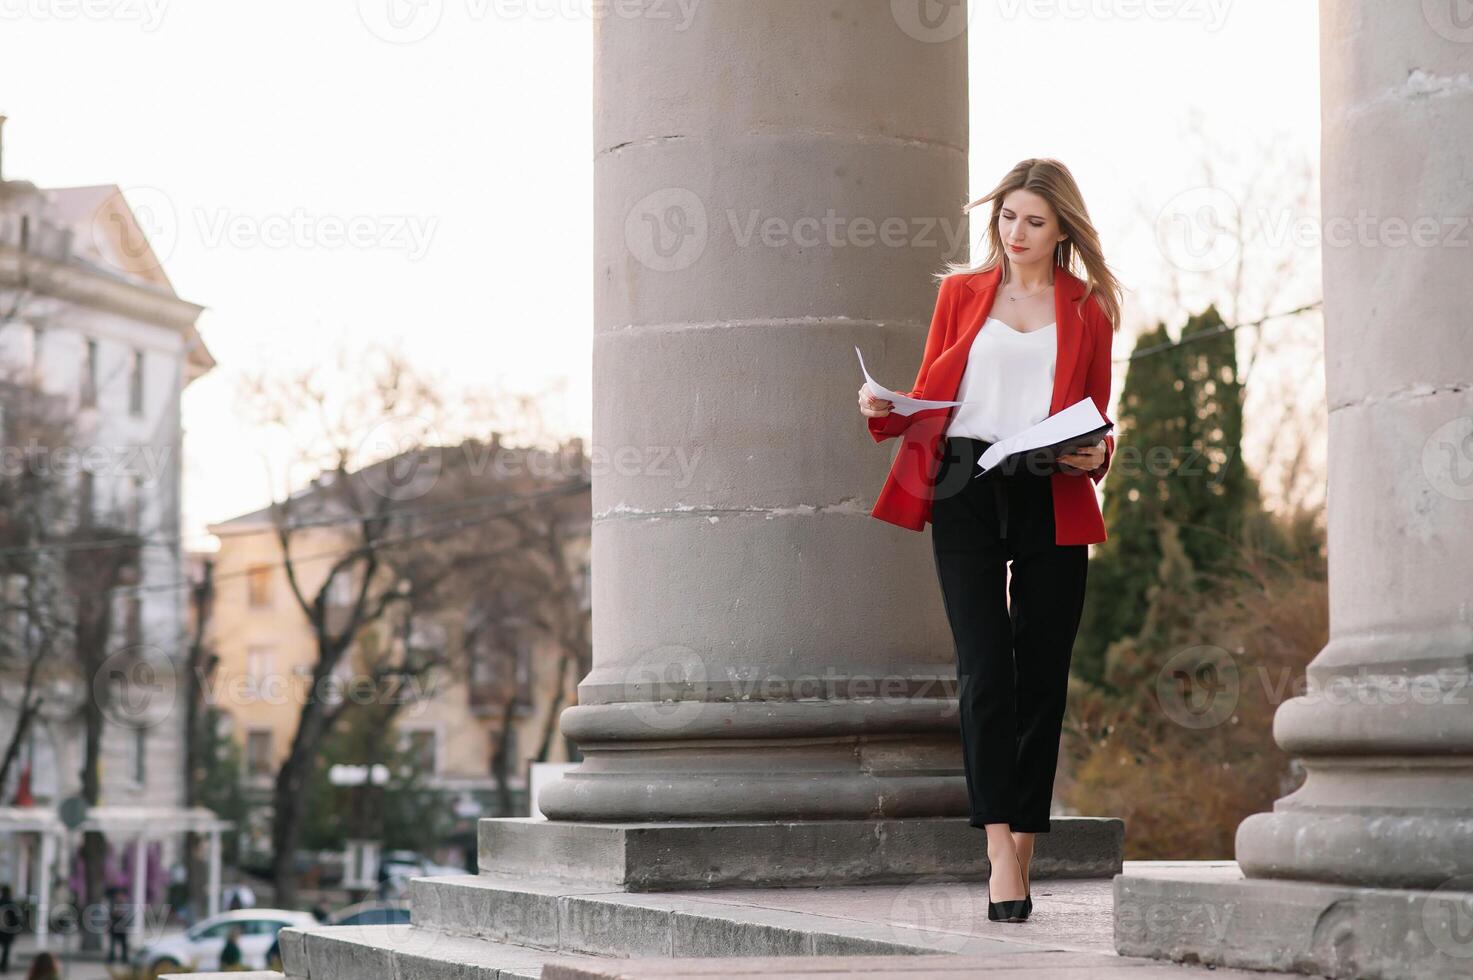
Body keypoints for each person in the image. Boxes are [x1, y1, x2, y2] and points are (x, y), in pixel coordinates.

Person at [859, 158, 1121, 925]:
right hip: (965, 482)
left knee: (1040, 670)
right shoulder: (959, 294)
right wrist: (882, 403)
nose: (1016, 234)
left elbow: (1097, 417)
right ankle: (1000, 849)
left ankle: (1022, 844)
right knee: (983, 668)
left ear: (1061, 228)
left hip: (1047, 482)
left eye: (1033, 221)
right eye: (1007, 217)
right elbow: (931, 396)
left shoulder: (1089, 307)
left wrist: (1096, 455)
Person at [105, 888, 129, 964]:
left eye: (121, 895)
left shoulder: (124, 904)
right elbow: (111, 915)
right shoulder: (113, 904)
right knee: (112, 945)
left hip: (122, 928)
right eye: (118, 895)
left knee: (124, 945)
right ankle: (111, 958)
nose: (119, 897)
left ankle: (124, 959)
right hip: (114, 928)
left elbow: (127, 916)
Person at [0, 884, 20, 974]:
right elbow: (15, 919)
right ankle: (3, 966)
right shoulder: (12, 903)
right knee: (6, 949)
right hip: (7, 931)